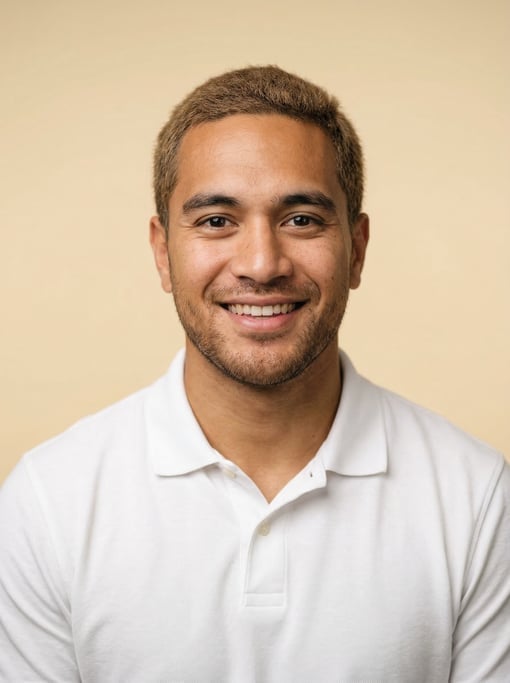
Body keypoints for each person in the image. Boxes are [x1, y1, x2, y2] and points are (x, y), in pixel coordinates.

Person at [0, 65, 508, 682]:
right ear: (163, 253)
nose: (262, 265)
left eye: (301, 219)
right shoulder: (48, 502)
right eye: (217, 220)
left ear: (358, 248)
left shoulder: (477, 500)